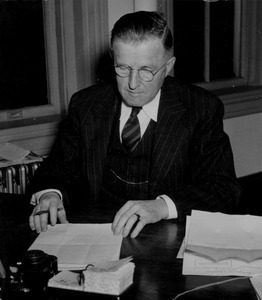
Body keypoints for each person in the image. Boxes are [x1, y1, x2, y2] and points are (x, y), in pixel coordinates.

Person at [29, 11, 241, 238]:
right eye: (123, 68)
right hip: (97, 238)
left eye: (146, 71)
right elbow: (58, 168)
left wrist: (160, 206)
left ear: (168, 67)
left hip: (166, 239)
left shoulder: (200, 109)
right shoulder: (86, 105)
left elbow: (223, 189)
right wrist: (50, 194)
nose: (132, 84)